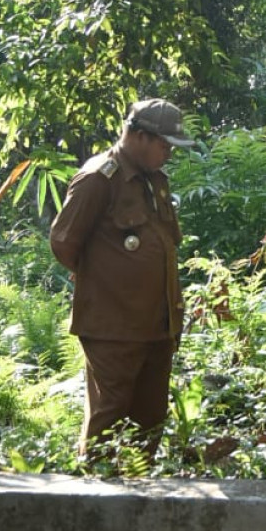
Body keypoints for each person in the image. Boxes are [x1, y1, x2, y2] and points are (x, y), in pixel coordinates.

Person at [50, 99, 197, 457]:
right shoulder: (100, 178)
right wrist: (105, 284)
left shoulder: (155, 181)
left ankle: (139, 501)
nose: (169, 154)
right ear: (139, 136)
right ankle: (96, 500)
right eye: (165, 145)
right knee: (109, 416)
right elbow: (64, 242)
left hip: (157, 327)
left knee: (151, 419)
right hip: (113, 328)